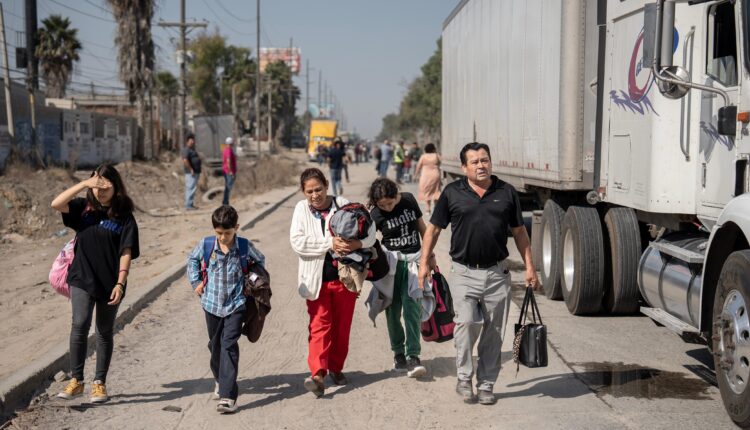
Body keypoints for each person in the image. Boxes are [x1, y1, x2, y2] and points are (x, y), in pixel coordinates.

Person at [418, 142, 539, 406]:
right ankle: (464, 376)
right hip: (463, 273)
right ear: (464, 167)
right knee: (465, 325)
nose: (481, 165)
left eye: (485, 160)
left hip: (497, 274)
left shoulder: (506, 192)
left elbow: (519, 232)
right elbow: (434, 229)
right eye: (474, 162)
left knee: (494, 333)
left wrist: (530, 267)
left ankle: (486, 384)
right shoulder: (452, 192)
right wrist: (424, 262)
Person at [51, 164, 140, 404]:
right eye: (97, 184)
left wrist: (120, 284)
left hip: (110, 282)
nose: (100, 190)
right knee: (79, 324)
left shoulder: (124, 216)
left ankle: (99, 383)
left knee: (103, 331)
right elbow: (56, 204)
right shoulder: (83, 208)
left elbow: (126, 251)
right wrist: (83, 184)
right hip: (81, 277)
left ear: (116, 186)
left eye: (105, 186)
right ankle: (76, 381)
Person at [289, 168, 376, 397]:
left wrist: (358, 245)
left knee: (341, 326)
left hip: (345, 278)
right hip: (315, 280)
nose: (314, 195)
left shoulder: (343, 204)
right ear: (303, 192)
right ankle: (318, 374)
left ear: (327, 185)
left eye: (318, 189)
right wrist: (330, 243)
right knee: (319, 325)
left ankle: (336, 368)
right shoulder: (300, 209)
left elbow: (370, 233)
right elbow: (298, 242)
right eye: (309, 191)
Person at [186, 205, 265, 413]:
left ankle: (228, 396)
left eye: (227, 233)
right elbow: (192, 260)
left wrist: (252, 283)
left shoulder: (244, 247)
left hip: (236, 304)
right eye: (219, 233)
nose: (223, 237)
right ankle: (221, 379)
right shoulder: (207, 244)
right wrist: (196, 283)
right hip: (211, 305)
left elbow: (260, 262)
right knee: (215, 346)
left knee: (229, 345)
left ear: (236, 228)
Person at [367, 178, 430, 378]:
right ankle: (398, 354)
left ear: (397, 195)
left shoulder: (409, 200)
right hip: (391, 267)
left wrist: (430, 257)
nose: (386, 207)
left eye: (390, 202)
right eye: (382, 205)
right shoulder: (375, 214)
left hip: (414, 262)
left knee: (413, 308)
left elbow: (423, 229)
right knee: (392, 312)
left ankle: (413, 355)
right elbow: (368, 241)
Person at [415, 143, 442, 215]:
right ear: (433, 148)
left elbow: (418, 166)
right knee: (436, 191)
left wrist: (415, 175)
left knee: (427, 192)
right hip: (435, 175)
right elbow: (441, 162)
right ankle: (436, 208)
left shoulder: (423, 156)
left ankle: (428, 210)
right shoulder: (436, 155)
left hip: (425, 176)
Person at [182, 133, 201, 210]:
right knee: (190, 188)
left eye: (193, 140)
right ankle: (188, 205)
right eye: (191, 140)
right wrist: (191, 169)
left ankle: (190, 204)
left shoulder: (192, 150)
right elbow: (185, 160)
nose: (192, 142)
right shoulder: (186, 150)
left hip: (195, 172)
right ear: (187, 141)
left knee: (192, 188)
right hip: (190, 173)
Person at [222, 137, 237, 205]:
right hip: (228, 172)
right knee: (228, 187)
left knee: (227, 187)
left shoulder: (225, 149)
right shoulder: (228, 150)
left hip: (226, 171)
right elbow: (228, 161)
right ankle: (225, 202)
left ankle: (225, 201)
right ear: (230, 143)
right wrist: (231, 171)